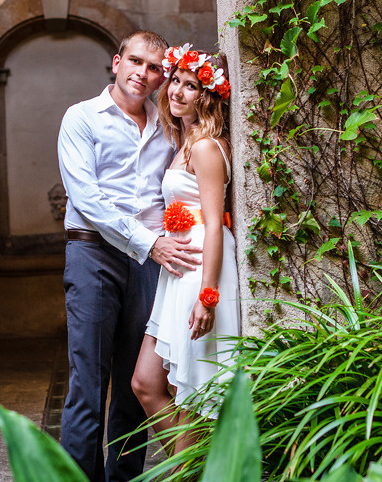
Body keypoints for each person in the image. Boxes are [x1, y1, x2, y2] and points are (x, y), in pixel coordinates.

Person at [57, 30, 203, 482]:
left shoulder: (167, 124)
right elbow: (87, 197)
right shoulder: (82, 118)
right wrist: (150, 242)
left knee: (132, 386)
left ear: (163, 76)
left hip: (150, 265)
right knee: (88, 383)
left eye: (155, 67)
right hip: (94, 254)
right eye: (136, 62)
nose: (144, 73)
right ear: (117, 62)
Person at [131, 45, 240, 456]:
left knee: (189, 392)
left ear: (207, 96)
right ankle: (190, 467)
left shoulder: (208, 147)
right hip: (177, 272)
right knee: (145, 383)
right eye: (175, 81)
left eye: (190, 86)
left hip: (199, 272)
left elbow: (215, 223)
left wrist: (207, 298)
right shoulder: (185, 141)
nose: (176, 91)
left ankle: (186, 472)